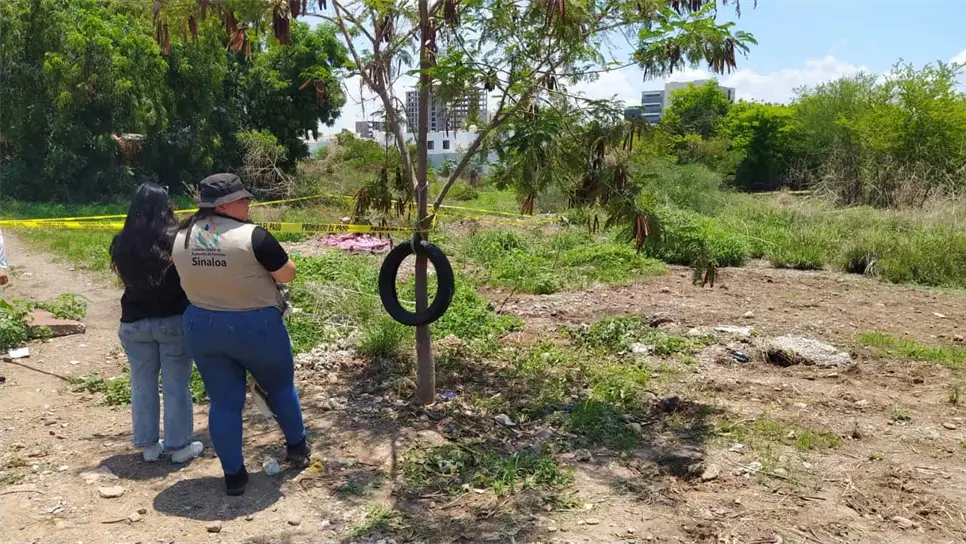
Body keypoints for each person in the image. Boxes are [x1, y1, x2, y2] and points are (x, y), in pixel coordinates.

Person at [172, 173, 308, 496]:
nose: (249, 203)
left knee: (224, 402)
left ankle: (234, 476)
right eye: (243, 199)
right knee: (279, 388)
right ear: (225, 204)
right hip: (255, 326)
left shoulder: (181, 235)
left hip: (202, 325)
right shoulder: (254, 237)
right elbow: (288, 273)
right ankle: (297, 447)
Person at [109, 183, 204, 464]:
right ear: (167, 206)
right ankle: (179, 446)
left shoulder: (122, 241)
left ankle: (148, 446)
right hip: (173, 320)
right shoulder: (178, 239)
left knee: (142, 384)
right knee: (176, 384)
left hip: (133, 322)